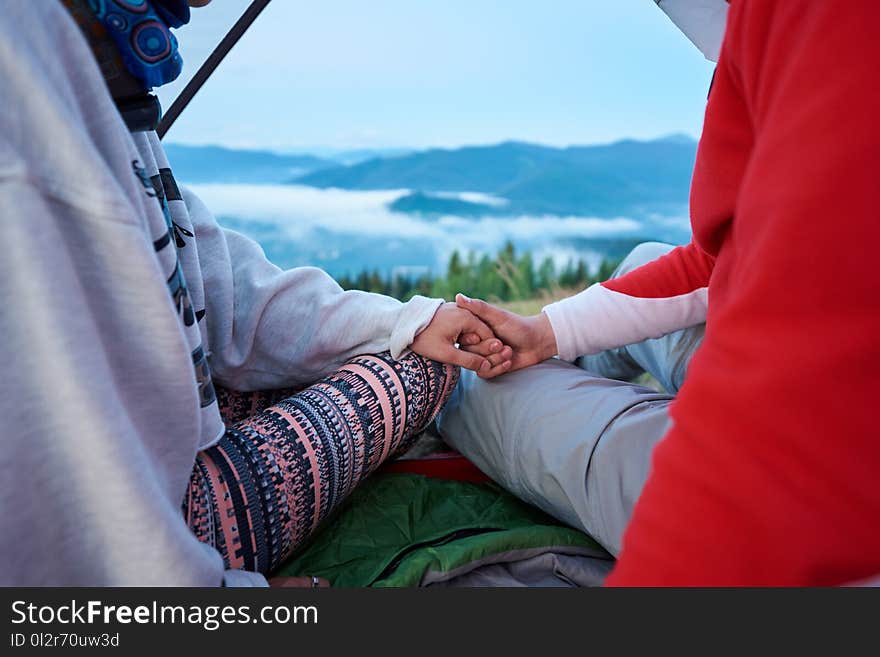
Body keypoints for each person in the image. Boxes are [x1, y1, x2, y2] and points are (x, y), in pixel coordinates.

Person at [0, 0, 512, 586]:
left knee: (407, 351)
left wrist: (408, 322)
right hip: (138, 534)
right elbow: (49, 478)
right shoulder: (26, 88)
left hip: (146, 459)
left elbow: (231, 298)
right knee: (418, 373)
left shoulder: (104, 80)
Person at [439, 1, 880, 585]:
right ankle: (574, 382)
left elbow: (802, 411)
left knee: (469, 389)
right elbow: (724, 260)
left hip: (821, 484)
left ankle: (591, 425)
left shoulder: (830, 30)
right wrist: (547, 332)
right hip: (828, 421)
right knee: (646, 260)